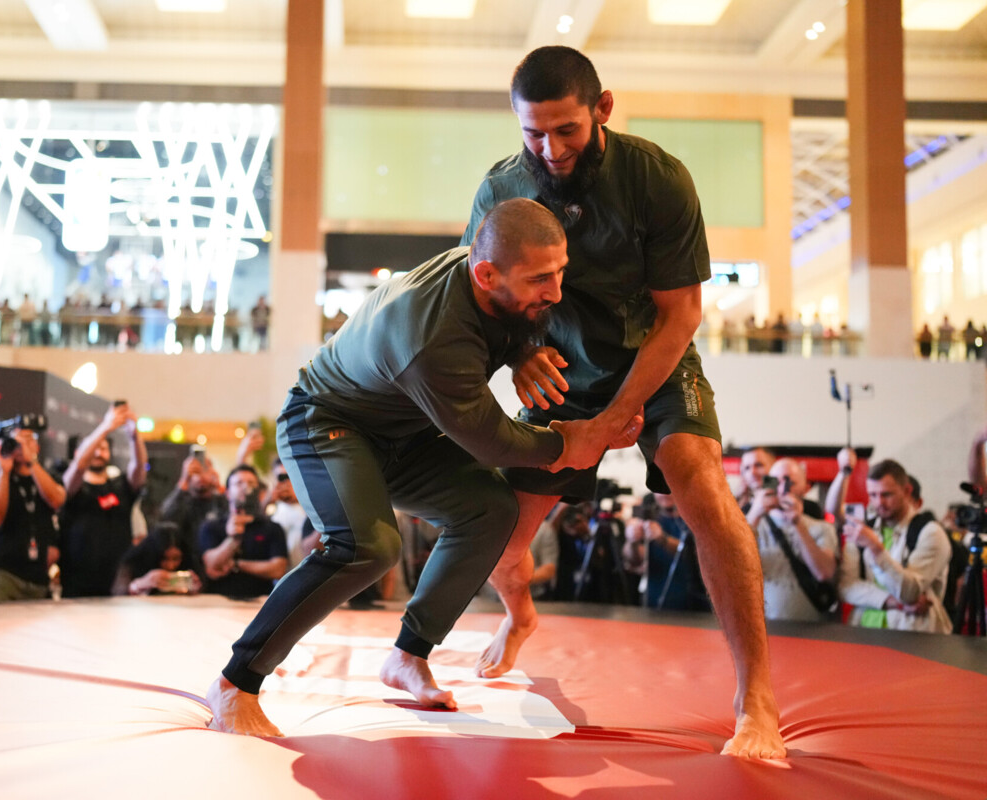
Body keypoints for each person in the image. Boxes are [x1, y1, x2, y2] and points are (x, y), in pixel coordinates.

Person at [207, 198, 641, 736]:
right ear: (485, 273)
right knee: (367, 546)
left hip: (402, 434)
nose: (554, 291)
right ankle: (235, 682)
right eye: (539, 279)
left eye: (559, 272)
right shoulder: (430, 334)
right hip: (326, 423)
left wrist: (524, 349)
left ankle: (409, 655)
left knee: (490, 509)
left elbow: (510, 320)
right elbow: (491, 439)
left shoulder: (483, 274)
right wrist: (567, 443)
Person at [461, 46, 784, 757]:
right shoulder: (501, 189)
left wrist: (616, 417)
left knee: (704, 490)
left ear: (602, 109)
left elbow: (681, 317)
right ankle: (518, 618)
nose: (550, 148)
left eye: (566, 130)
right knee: (496, 540)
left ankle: (755, 698)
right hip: (560, 373)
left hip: (655, 361)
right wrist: (518, 356)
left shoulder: (657, 178)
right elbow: (485, 297)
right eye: (533, 133)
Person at [839, 459, 952, 633]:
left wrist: (876, 549)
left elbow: (910, 592)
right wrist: (891, 601)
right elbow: (846, 586)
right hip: (865, 630)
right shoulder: (864, 530)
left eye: (887, 494)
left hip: (913, 634)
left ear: (907, 491)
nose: (879, 503)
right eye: (873, 495)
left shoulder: (930, 533)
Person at [59, 402, 148, 598]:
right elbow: (78, 467)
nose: (99, 453)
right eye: (94, 448)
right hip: (78, 584)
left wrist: (135, 436)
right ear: (79, 452)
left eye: (104, 448)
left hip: (118, 583)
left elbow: (139, 468)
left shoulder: (120, 485)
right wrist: (106, 427)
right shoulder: (72, 485)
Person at [0, 424, 66, 603]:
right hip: (1, 573)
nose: (21, 446)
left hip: (38, 577)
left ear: (37, 447)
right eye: (15, 442)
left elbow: (56, 500)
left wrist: (31, 462)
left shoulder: (49, 477)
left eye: (27, 440)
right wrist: (3, 472)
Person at [746, 458, 838, 622]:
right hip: (760, 625)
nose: (781, 489)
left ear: (805, 488)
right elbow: (727, 563)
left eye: (789, 482)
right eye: (775, 482)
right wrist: (754, 513)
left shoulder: (822, 528)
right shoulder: (752, 524)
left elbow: (824, 573)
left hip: (809, 627)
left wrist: (797, 524)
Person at [198, 465, 288, 599]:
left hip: (260, 602)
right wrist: (232, 540)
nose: (246, 487)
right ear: (227, 492)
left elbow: (278, 569)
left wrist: (236, 565)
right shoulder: (212, 526)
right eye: (239, 483)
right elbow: (211, 565)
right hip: (218, 602)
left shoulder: (272, 527)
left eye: (251, 483)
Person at [158, 447, 226, 577]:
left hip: (216, 569)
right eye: (196, 471)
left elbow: (231, 517)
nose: (201, 476)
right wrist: (184, 480)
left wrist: (218, 486)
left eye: (204, 469)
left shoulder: (220, 502)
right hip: (187, 569)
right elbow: (164, 519)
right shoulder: (182, 501)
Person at [112, 521, 200, 596]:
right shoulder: (133, 562)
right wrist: (140, 584)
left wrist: (194, 588)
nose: (170, 566)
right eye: (164, 558)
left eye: (176, 559)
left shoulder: (189, 564)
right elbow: (117, 592)